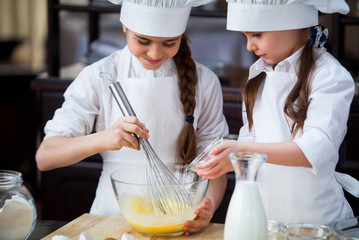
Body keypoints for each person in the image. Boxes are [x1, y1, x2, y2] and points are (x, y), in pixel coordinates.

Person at [35, 0, 229, 235]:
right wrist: (105, 138)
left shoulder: (205, 81)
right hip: (109, 221)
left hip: (179, 221)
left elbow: (215, 166)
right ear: (125, 27)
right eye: (143, 41)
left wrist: (206, 206)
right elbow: (46, 157)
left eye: (169, 43)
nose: (155, 53)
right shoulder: (98, 76)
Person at [195, 0, 359, 225]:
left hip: (318, 223)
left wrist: (241, 149)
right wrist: (226, 159)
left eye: (256, 34)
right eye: (245, 36)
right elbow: (250, 137)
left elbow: (315, 149)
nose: (248, 47)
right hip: (266, 220)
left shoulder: (330, 76)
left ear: (292, 23)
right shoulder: (258, 77)